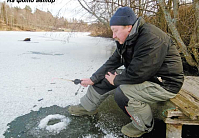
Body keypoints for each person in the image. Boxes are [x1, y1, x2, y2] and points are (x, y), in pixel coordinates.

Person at [68, 6, 184, 137]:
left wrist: (116, 80)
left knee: (123, 93)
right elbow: (113, 61)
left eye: (115, 31)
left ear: (128, 27)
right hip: (149, 76)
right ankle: (88, 107)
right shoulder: (128, 38)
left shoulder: (151, 38)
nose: (113, 36)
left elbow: (139, 73)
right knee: (106, 76)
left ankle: (143, 125)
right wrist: (93, 78)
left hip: (165, 84)